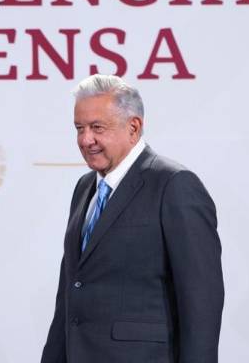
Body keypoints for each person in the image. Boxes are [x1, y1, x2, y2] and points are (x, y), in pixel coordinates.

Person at [40, 74, 224, 363]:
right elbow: (70, 293)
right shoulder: (84, 187)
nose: (86, 139)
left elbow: (201, 300)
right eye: (79, 128)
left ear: (134, 127)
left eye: (97, 127)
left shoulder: (175, 185)